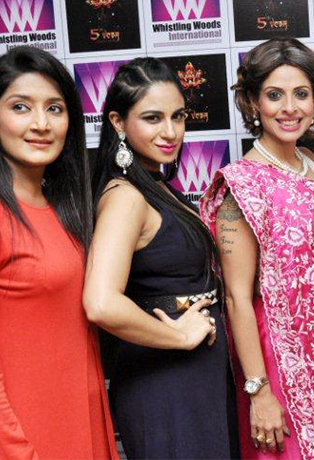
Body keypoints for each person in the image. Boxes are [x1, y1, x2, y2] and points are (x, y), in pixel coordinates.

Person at [0, 46, 118, 459]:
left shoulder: (65, 209)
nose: (41, 124)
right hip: (17, 437)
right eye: (20, 107)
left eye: (55, 109)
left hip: (77, 424)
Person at [199, 38, 314, 459]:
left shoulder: (310, 162)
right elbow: (237, 298)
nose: (289, 108)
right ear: (253, 103)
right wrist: (259, 392)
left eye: (301, 94)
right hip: (281, 358)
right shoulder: (240, 186)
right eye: (275, 95)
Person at [82, 58, 231, 459]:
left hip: (194, 376)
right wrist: (179, 337)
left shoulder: (155, 186)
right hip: (164, 380)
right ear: (118, 122)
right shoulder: (125, 197)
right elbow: (100, 302)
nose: (170, 132)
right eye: (152, 118)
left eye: (177, 116)